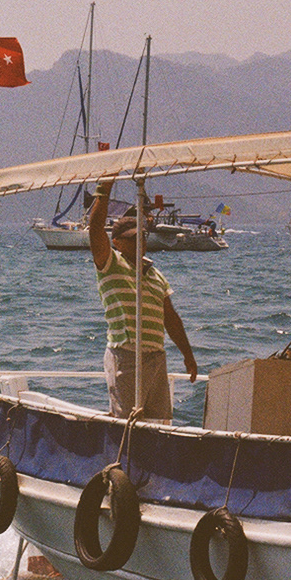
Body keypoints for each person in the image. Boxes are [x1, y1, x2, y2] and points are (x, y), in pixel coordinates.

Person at [89, 178, 197, 422]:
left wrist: (188, 355)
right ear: (116, 242)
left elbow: (171, 318)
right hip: (126, 354)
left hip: (156, 356)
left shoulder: (155, 273)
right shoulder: (110, 263)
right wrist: (104, 190)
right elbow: (95, 230)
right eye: (133, 238)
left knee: (160, 423)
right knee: (127, 423)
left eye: (143, 237)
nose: (140, 241)